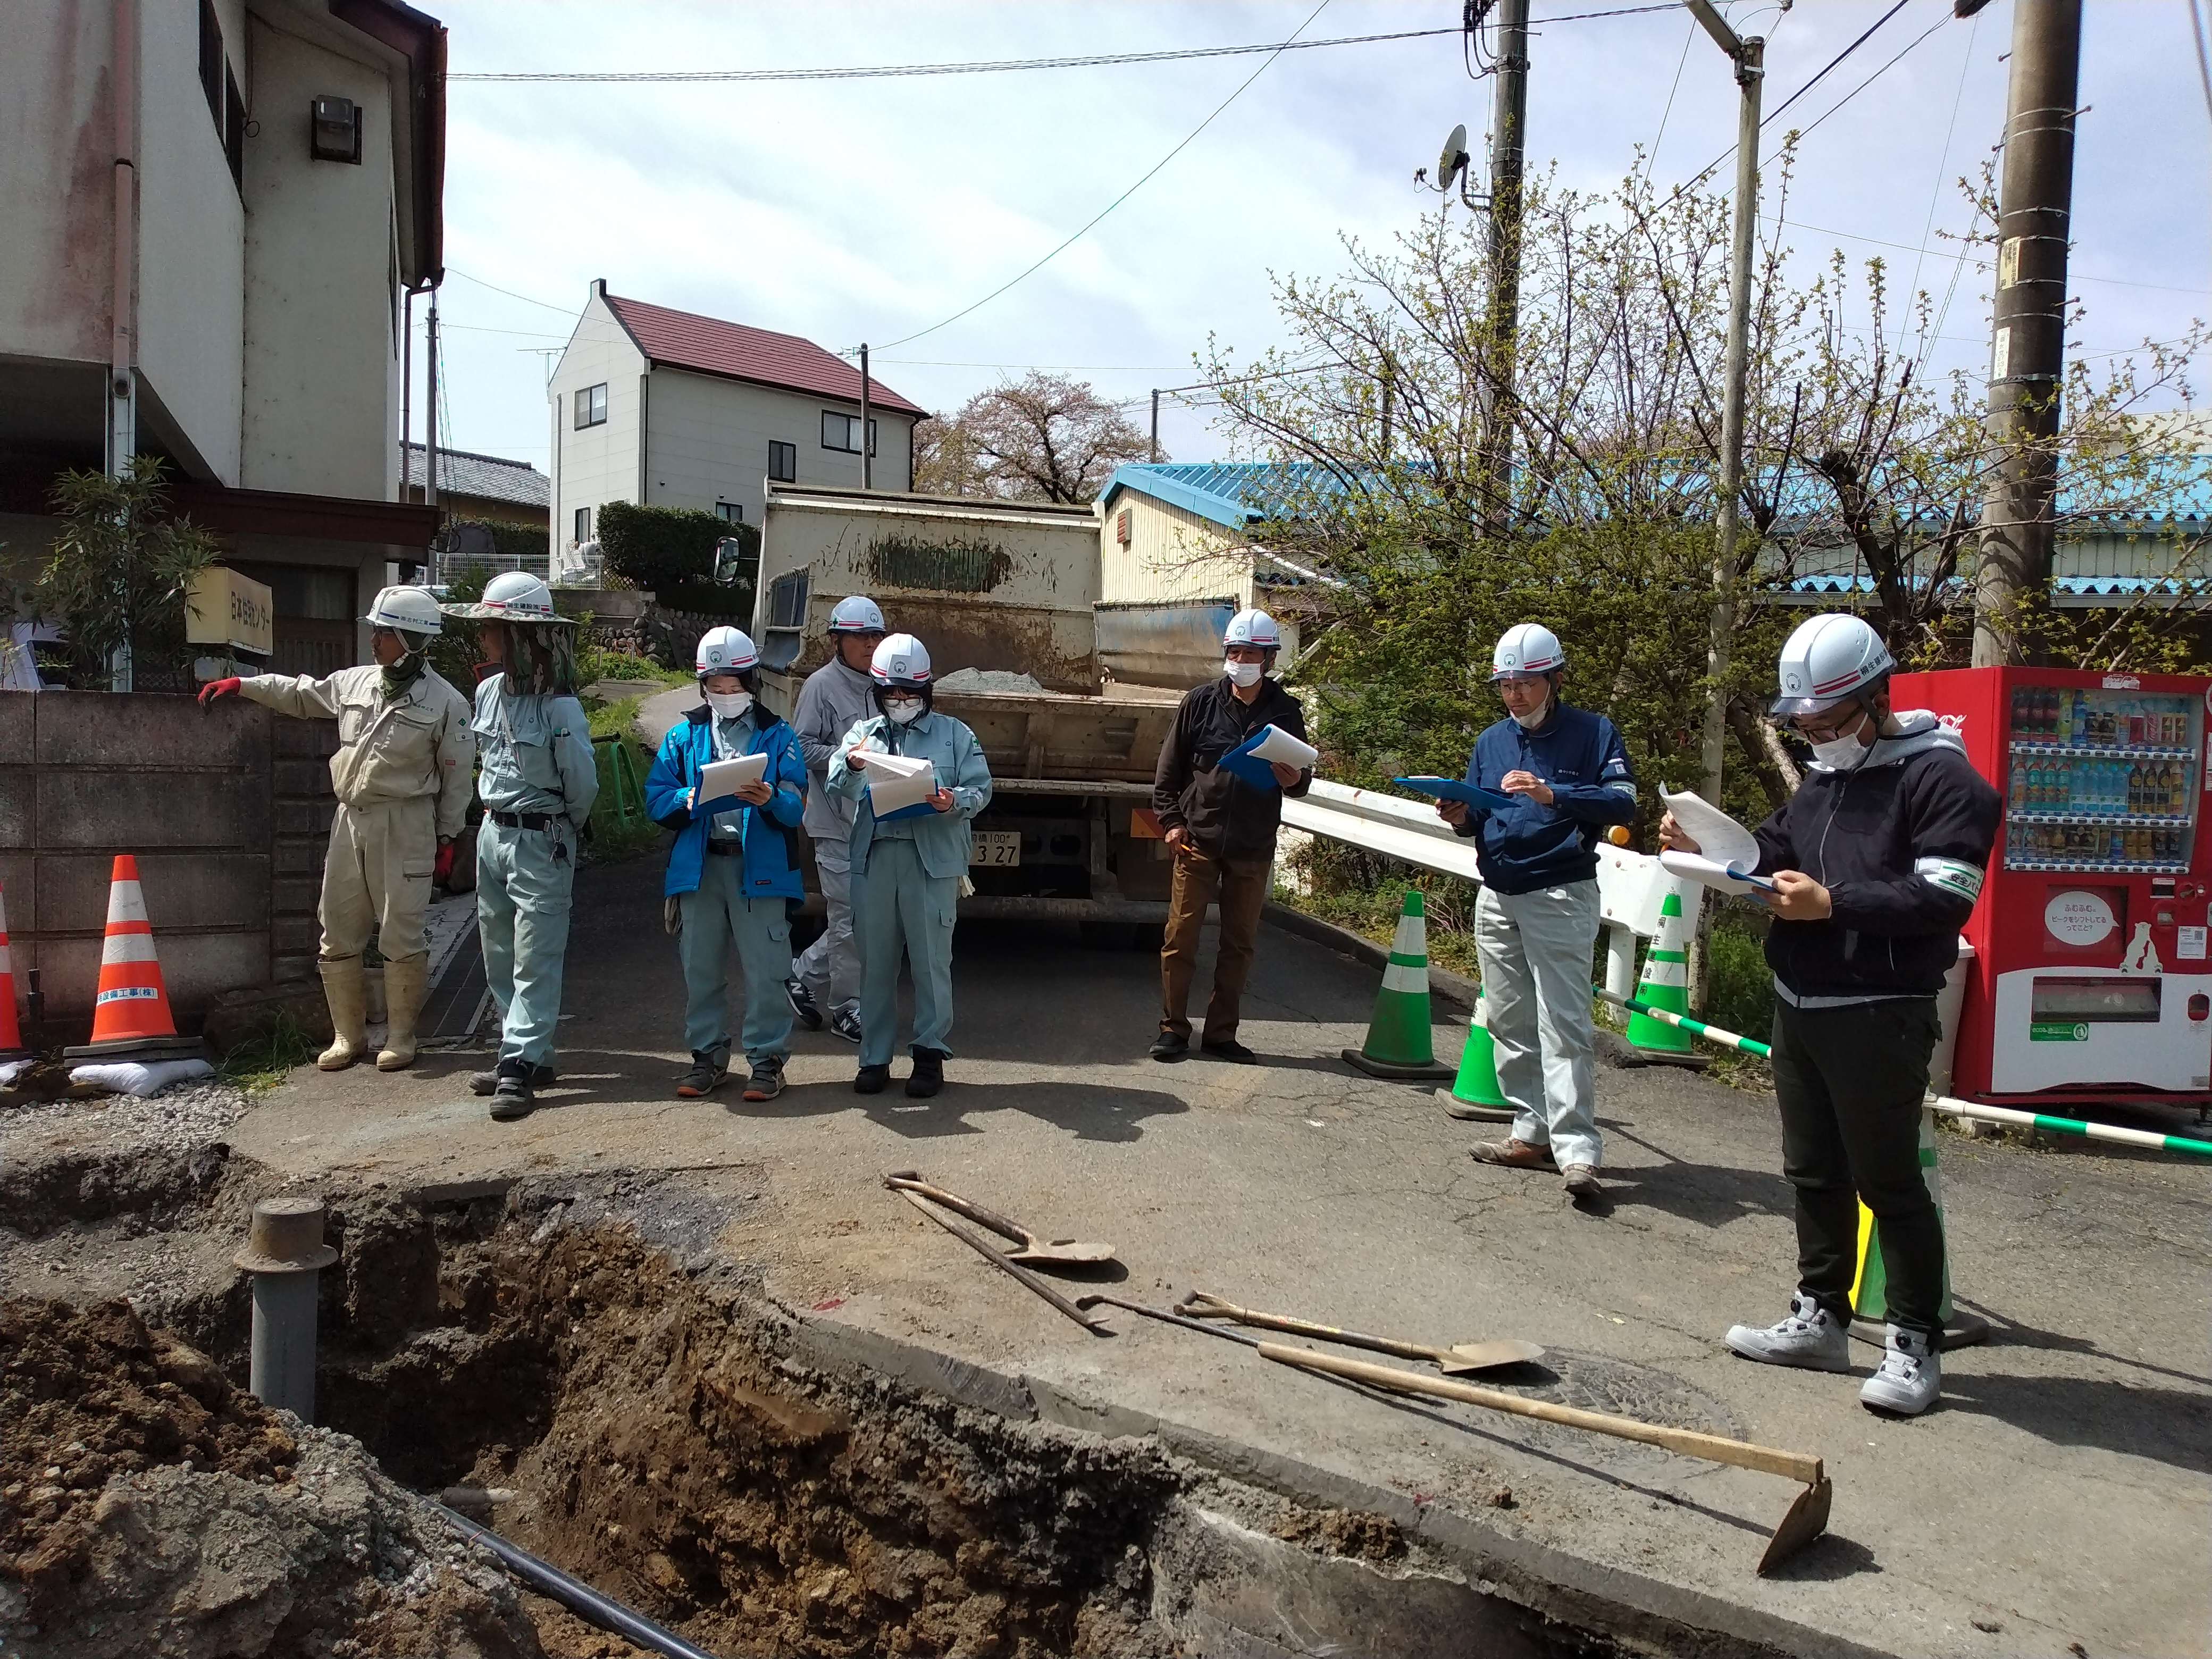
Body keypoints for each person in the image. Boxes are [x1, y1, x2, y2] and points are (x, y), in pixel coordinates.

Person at [1661, 613, 1997, 1417]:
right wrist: (1712, 845)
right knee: (1812, 1170)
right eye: (1803, 722)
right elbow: (1778, 848)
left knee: (1889, 1181)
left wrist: (1832, 904)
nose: (1815, 733)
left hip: (1880, 1009)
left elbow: (1947, 894)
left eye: (1830, 719)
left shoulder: (1942, 779)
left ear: (1878, 698)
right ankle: (1821, 1317)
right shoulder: (1827, 773)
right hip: (1801, 999)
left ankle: (1913, 1340)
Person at [199, 586, 472, 1073]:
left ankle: (402, 1037)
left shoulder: (447, 703)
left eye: (384, 632)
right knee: (337, 929)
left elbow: (455, 778)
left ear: (410, 639)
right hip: (350, 819)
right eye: (375, 630)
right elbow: (303, 694)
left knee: (401, 932)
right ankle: (348, 1037)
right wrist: (245, 686)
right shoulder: (356, 682)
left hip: (406, 823)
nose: (375, 639)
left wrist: (447, 839)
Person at [1442, 623, 1635, 1200]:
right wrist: (1457, 815)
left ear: (1552, 679)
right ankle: (1531, 1133)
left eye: (1524, 683)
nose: (1514, 695)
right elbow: (1479, 813)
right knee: (1507, 1017)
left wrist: (1552, 793)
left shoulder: (1593, 732)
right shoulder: (1489, 741)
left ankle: (1577, 1153)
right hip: (1497, 890)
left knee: (1564, 1024)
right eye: (1504, 684)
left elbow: (1622, 800)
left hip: (1559, 891)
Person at [443, 572, 598, 1120]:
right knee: (501, 951)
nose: (483, 637)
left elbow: (582, 785)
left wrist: (564, 831)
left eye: (491, 627)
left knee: (536, 953)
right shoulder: (487, 692)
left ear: (516, 634)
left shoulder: (560, 707)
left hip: (541, 836)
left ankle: (518, 1064)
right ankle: (529, 1053)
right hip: (493, 832)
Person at [824, 633, 992, 1098]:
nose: (900, 702)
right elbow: (839, 781)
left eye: (909, 694)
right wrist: (856, 765)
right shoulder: (863, 734)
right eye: (891, 694)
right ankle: (874, 1058)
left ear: (926, 692)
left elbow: (981, 790)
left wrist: (951, 800)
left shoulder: (956, 735)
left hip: (930, 861)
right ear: (878, 693)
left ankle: (929, 1055)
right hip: (876, 858)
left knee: (931, 962)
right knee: (875, 963)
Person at [644, 626, 808, 1102]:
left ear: (750, 683)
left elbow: (797, 808)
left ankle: (767, 1062)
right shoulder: (683, 736)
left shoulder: (779, 736)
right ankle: (707, 1058)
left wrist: (771, 797)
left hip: (760, 872)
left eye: (733, 687)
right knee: (701, 968)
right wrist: (688, 797)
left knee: (766, 969)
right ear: (703, 685)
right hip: (700, 869)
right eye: (715, 687)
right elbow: (657, 801)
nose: (725, 695)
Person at [1150, 608, 1312, 1065]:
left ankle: (1222, 1033)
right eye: (1234, 651)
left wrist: (1291, 777)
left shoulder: (1285, 711)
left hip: (1254, 846)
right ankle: (1173, 1029)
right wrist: (1171, 822)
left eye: (1251, 653)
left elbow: (1300, 781)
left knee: (1238, 945)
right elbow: (1169, 770)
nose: (1240, 659)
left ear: (1269, 659)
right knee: (1180, 937)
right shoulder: (1200, 703)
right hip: (1197, 839)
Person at [787, 594, 885, 1044]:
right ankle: (847, 1008)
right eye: (859, 637)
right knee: (849, 919)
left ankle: (800, 975)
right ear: (836, 641)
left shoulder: (885, 686)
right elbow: (801, 747)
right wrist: (849, 758)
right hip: (833, 823)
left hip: (874, 824)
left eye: (874, 636)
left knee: (866, 918)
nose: (868, 645)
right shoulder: (821, 687)